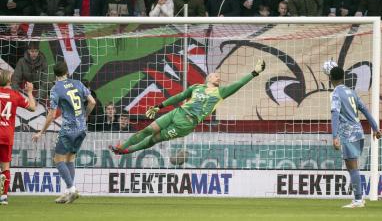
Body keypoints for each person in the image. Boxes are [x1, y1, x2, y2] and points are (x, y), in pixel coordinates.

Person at [109, 60, 266, 155]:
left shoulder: (221, 92)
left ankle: (128, 151)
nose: (219, 77)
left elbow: (238, 84)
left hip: (187, 123)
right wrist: (159, 106)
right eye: (216, 75)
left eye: (219, 76)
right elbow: (179, 97)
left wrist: (254, 72)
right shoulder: (197, 87)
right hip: (177, 112)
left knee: (154, 139)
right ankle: (122, 147)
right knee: (147, 130)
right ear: (208, 78)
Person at [32, 62, 96, 204]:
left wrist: (41, 132)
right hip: (82, 128)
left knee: (58, 160)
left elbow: (52, 114)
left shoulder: (56, 89)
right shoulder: (78, 83)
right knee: (70, 160)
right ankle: (68, 193)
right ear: (67, 71)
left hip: (68, 129)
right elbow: (92, 102)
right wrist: (84, 116)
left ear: (54, 74)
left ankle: (72, 189)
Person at [329, 66, 381, 208]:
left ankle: (358, 200)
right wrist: (375, 128)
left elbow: (334, 114)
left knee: (352, 167)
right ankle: (358, 198)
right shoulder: (351, 92)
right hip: (359, 132)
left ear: (330, 79)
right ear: (343, 77)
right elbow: (364, 109)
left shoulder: (336, 93)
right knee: (353, 166)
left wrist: (334, 136)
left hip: (348, 134)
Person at [0, 70, 36, 205]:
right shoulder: (15, 95)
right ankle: (3, 197)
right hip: (6, 135)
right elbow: (33, 108)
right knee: (5, 167)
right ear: (10, 80)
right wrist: (30, 92)